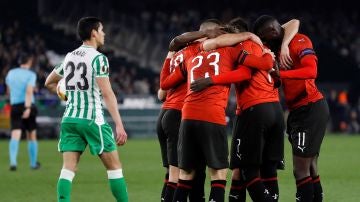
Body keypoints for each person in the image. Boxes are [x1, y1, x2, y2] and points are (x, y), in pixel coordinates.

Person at [161, 20, 274, 202]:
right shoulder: (231, 51)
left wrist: (168, 59)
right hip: (212, 116)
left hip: (187, 117)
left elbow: (164, 84)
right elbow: (250, 71)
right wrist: (267, 54)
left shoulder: (191, 54)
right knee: (218, 174)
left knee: (185, 175)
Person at [190, 17, 299, 202]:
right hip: (274, 109)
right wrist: (284, 45)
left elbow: (245, 73)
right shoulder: (263, 46)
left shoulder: (242, 45)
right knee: (267, 170)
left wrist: (211, 80)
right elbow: (293, 23)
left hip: (255, 110)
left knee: (247, 170)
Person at [44, 17, 128, 202]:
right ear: (94, 33)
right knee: (114, 168)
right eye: (102, 30)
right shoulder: (99, 59)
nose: (104, 34)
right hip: (92, 120)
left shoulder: (69, 57)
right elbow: (107, 93)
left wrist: (62, 93)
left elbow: (49, 82)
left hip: (70, 120)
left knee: (68, 169)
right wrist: (119, 125)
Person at [253, 15, 330, 202]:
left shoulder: (300, 41)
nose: (264, 43)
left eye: (264, 38)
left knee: (300, 169)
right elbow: (288, 24)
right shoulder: (281, 45)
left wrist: (282, 74)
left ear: (272, 32)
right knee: (310, 167)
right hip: (298, 111)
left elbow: (311, 71)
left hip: (310, 108)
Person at [5, 52, 40, 171]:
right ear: (29, 62)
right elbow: (29, 91)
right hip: (28, 105)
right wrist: (28, 107)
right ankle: (33, 164)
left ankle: (13, 162)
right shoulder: (31, 75)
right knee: (31, 135)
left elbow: (8, 91)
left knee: (15, 134)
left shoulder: (10, 73)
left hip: (15, 105)